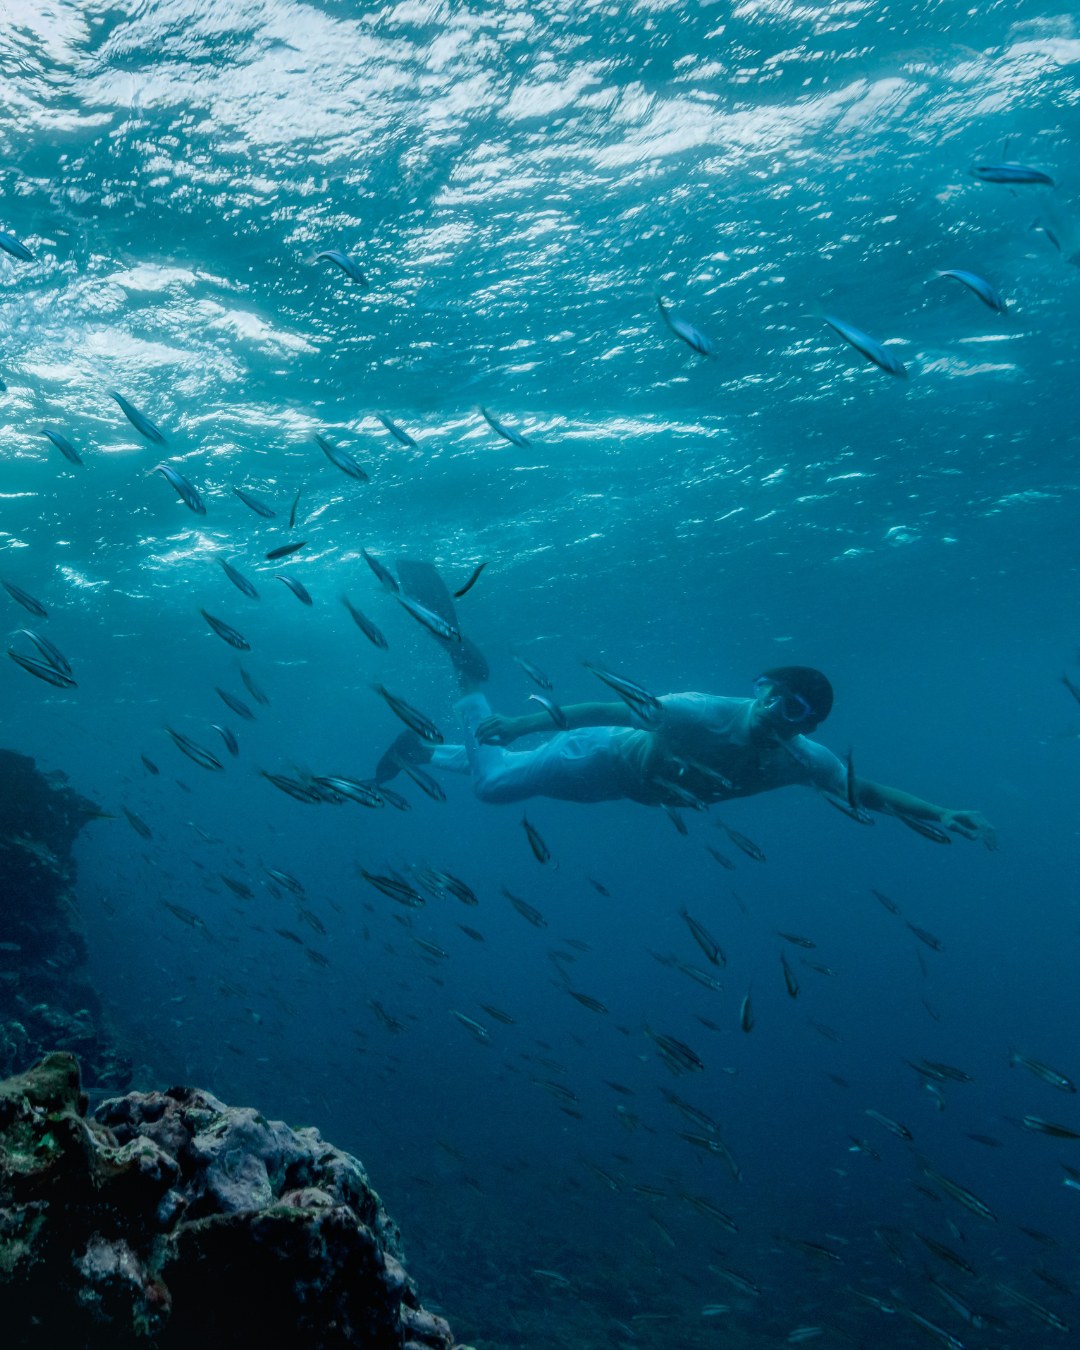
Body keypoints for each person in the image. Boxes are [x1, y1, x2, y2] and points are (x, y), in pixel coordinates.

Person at [376, 661, 996, 848]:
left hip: (619, 789)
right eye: (769, 691)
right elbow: (614, 709)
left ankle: (422, 751)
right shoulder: (701, 709)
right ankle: (471, 690)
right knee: (494, 789)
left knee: (502, 774)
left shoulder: (804, 762)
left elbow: (865, 793)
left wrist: (941, 815)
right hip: (591, 757)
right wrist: (521, 721)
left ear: (807, 724)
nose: (769, 707)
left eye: (789, 707)